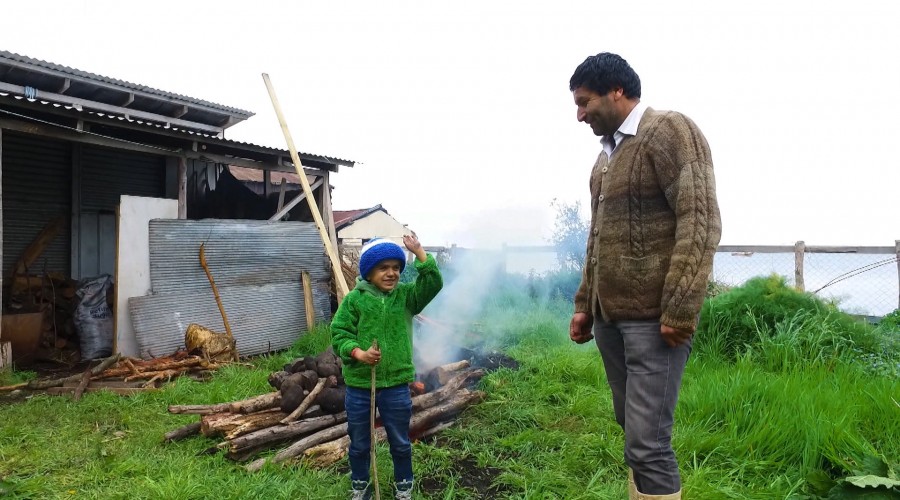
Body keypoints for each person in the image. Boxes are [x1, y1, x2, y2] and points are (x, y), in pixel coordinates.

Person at [567, 52, 722, 500]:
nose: (579, 115)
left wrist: (679, 307)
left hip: (656, 322)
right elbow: (597, 242)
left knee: (648, 442)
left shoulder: (670, 132)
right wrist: (584, 306)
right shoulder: (604, 160)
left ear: (616, 91)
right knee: (632, 428)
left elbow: (701, 221)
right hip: (611, 321)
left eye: (584, 102)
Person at [332, 234, 443, 500]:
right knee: (359, 443)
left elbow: (433, 284)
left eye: (396, 267)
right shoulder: (354, 301)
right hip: (360, 386)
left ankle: (403, 486)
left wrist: (419, 253)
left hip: (396, 385)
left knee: (400, 442)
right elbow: (338, 334)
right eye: (384, 268)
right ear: (369, 272)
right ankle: (360, 486)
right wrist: (358, 353)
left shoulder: (406, 297)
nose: (391, 273)